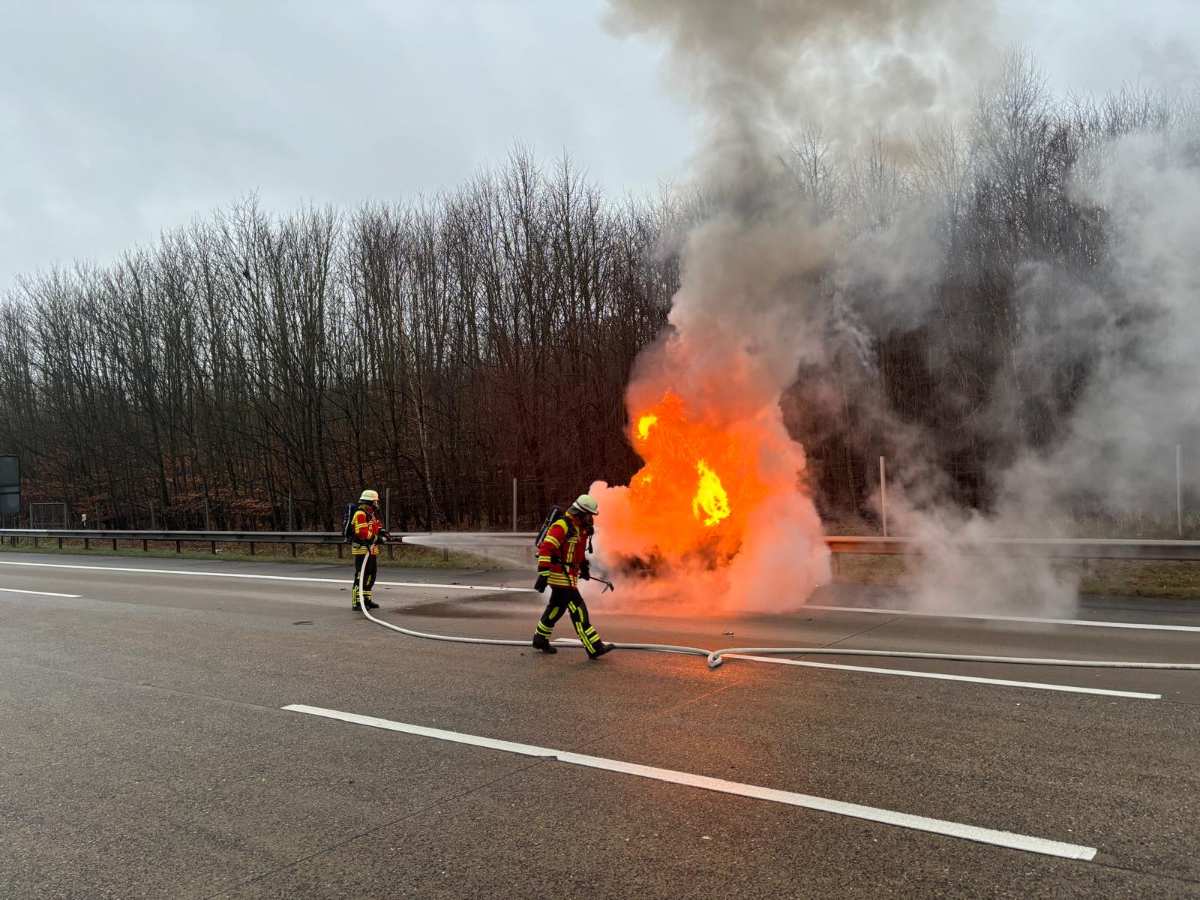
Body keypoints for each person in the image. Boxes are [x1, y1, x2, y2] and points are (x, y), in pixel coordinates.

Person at [532, 494, 614, 659]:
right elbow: (546, 548)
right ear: (580, 513)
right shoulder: (562, 525)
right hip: (559, 576)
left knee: (557, 607)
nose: (590, 519)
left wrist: (583, 568)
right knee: (579, 610)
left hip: (568, 576)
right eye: (589, 515)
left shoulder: (578, 529)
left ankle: (540, 639)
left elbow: (577, 553)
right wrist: (543, 574)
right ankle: (594, 647)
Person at [350, 489, 388, 610]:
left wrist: (382, 531)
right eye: (375, 501)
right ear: (370, 502)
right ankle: (357, 602)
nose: (377, 504)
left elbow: (375, 526)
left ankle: (367, 599)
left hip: (371, 550)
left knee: (371, 575)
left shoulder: (370, 514)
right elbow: (362, 532)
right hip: (362, 550)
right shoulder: (360, 513)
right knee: (361, 576)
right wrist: (377, 538)